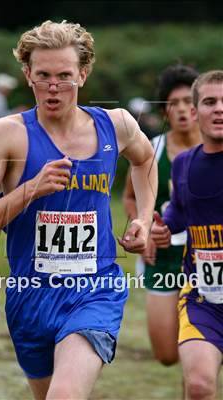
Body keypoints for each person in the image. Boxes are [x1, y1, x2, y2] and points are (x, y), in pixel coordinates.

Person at [0, 20, 157, 400]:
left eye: (65, 75)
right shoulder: (4, 134)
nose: (54, 86)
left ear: (83, 75)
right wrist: (29, 190)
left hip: (94, 289)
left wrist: (143, 219)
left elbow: (145, 160)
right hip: (30, 294)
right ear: (27, 75)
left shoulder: (116, 125)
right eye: (44, 75)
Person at [151, 70, 223, 400]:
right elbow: (178, 213)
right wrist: (162, 229)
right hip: (202, 298)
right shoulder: (183, 164)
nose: (219, 109)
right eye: (209, 102)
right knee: (198, 385)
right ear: (195, 112)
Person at [123, 65, 201, 366]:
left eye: (188, 102)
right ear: (165, 111)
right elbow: (130, 197)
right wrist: (141, 226)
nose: (182, 110)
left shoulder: (216, 149)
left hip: (209, 258)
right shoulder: (152, 150)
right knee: (168, 355)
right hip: (164, 258)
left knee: (198, 356)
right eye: (174, 103)